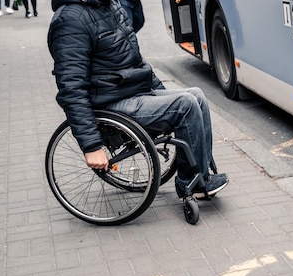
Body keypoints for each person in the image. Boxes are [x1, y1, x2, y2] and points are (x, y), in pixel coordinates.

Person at [47, 0, 228, 199]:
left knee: (196, 96)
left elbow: (136, 60)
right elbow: (71, 88)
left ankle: (202, 176)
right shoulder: (70, 21)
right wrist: (91, 146)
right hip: (109, 103)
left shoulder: (110, 6)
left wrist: (163, 95)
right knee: (185, 105)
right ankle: (193, 184)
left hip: (131, 91)